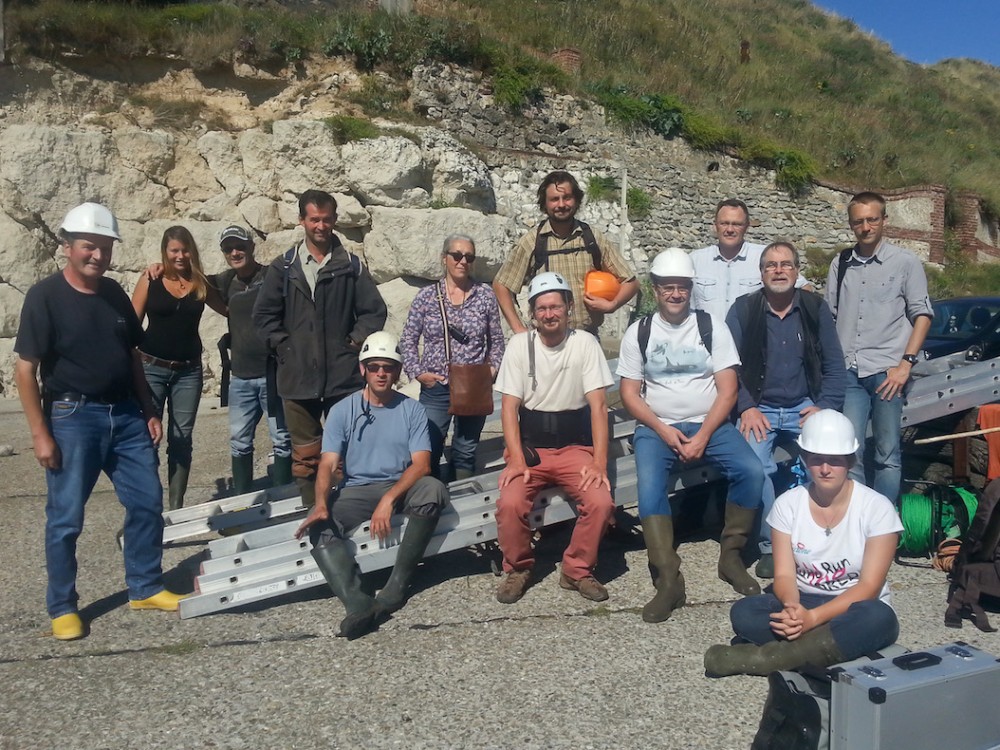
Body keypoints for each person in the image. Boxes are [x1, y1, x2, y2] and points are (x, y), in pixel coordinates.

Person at [14, 203, 186, 641]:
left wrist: (148, 409)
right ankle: (63, 607)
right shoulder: (44, 297)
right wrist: (40, 434)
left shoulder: (112, 294)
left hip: (126, 414)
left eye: (105, 248)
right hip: (73, 417)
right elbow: (25, 369)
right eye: (89, 246)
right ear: (68, 246)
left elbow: (132, 355)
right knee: (67, 518)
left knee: (148, 501)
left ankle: (145, 586)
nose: (98, 255)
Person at [617, 248, 764, 624]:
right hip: (656, 427)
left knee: (751, 470)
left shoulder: (712, 326)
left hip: (709, 423)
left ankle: (731, 557)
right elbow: (630, 394)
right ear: (655, 288)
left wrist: (703, 435)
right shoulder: (640, 332)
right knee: (649, 488)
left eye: (682, 287)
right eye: (668, 287)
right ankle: (668, 579)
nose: (676, 294)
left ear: (690, 288)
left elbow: (728, 390)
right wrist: (664, 430)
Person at [704, 410, 902, 677]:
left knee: (880, 618)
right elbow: (784, 574)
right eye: (816, 459)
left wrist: (813, 620)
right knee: (745, 611)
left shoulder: (877, 508)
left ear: (850, 460)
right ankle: (824, 649)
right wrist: (792, 609)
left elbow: (869, 586)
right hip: (805, 599)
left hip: (854, 606)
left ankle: (768, 659)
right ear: (805, 459)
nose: (824, 469)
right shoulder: (788, 504)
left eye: (835, 461)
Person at [294, 332, 448, 640]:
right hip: (356, 489)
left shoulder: (412, 410)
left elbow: (422, 465)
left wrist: (389, 500)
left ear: (397, 371)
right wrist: (321, 503)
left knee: (433, 489)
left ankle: (395, 588)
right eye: (374, 366)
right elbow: (327, 463)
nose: (381, 373)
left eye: (388, 367)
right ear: (362, 368)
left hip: (399, 484)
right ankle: (357, 603)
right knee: (320, 523)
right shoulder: (342, 411)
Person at [254, 189, 388, 508]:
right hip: (297, 380)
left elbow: (374, 311)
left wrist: (354, 342)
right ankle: (313, 512)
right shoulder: (284, 268)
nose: (321, 226)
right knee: (307, 456)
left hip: (343, 379)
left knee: (349, 450)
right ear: (302, 220)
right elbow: (262, 318)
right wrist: (285, 348)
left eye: (327, 219)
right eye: (314, 219)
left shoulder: (350, 266)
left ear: (335, 221)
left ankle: (348, 510)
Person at [493, 271, 615, 604]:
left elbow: (599, 407)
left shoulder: (585, 344)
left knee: (600, 501)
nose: (549, 314)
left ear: (568, 308)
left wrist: (599, 462)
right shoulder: (519, 346)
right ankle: (518, 567)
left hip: (575, 447)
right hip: (530, 449)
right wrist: (516, 458)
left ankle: (576, 570)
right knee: (510, 503)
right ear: (533, 313)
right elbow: (508, 409)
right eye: (542, 308)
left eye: (555, 307)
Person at [726, 241, 846, 578]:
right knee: (756, 468)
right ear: (761, 273)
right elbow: (728, 368)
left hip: (804, 406)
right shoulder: (743, 310)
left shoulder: (813, 307)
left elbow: (835, 365)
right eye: (771, 265)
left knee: (826, 464)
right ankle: (770, 546)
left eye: (786, 264)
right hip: (758, 408)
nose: (779, 270)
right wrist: (746, 407)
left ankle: (826, 539)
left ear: (796, 270)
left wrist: (825, 406)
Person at [825, 191, 933, 504]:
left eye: (872, 219)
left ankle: (884, 526)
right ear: (851, 224)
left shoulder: (905, 263)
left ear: (884, 220)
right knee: (852, 452)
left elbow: (922, 315)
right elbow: (829, 317)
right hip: (849, 372)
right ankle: (857, 521)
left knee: (888, 454)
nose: (866, 226)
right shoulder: (841, 263)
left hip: (887, 372)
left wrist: (905, 365)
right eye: (859, 221)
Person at [132, 226, 227, 510]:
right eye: (174, 250)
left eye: (185, 250)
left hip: (189, 371)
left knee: (181, 438)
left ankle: (176, 507)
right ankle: (149, 505)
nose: (180, 255)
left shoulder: (200, 284)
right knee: (148, 437)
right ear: (165, 251)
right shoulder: (151, 278)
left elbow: (229, 308)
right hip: (151, 367)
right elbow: (130, 324)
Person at [400, 234, 504, 481]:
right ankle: (432, 498)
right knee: (430, 445)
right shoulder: (426, 297)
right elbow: (408, 339)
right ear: (444, 258)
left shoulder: (485, 296)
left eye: (469, 257)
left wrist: (492, 370)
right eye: (457, 255)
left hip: (473, 384)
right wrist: (418, 373)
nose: (462, 261)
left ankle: (462, 492)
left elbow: (497, 341)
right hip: (436, 385)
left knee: (466, 450)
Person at [492, 170, 638, 336]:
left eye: (567, 197)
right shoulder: (533, 241)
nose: (561, 204)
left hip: (587, 339)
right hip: (546, 342)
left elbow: (630, 282)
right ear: (545, 204)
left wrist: (613, 305)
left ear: (576, 200)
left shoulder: (592, 237)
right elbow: (501, 285)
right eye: (554, 199)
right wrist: (520, 330)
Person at [212, 225, 293, 493]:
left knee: (281, 438)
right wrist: (159, 268)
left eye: (240, 246)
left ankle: (283, 497)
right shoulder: (224, 282)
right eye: (228, 248)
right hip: (241, 376)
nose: (235, 252)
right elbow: (191, 281)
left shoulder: (272, 276)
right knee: (239, 441)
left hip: (272, 373)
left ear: (252, 247)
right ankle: (242, 499)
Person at [690, 198, 808, 321]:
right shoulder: (695, 260)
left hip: (751, 338)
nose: (730, 230)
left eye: (737, 224)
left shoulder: (765, 258)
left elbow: (804, 287)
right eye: (724, 223)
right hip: (707, 338)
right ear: (715, 225)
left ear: (747, 226)